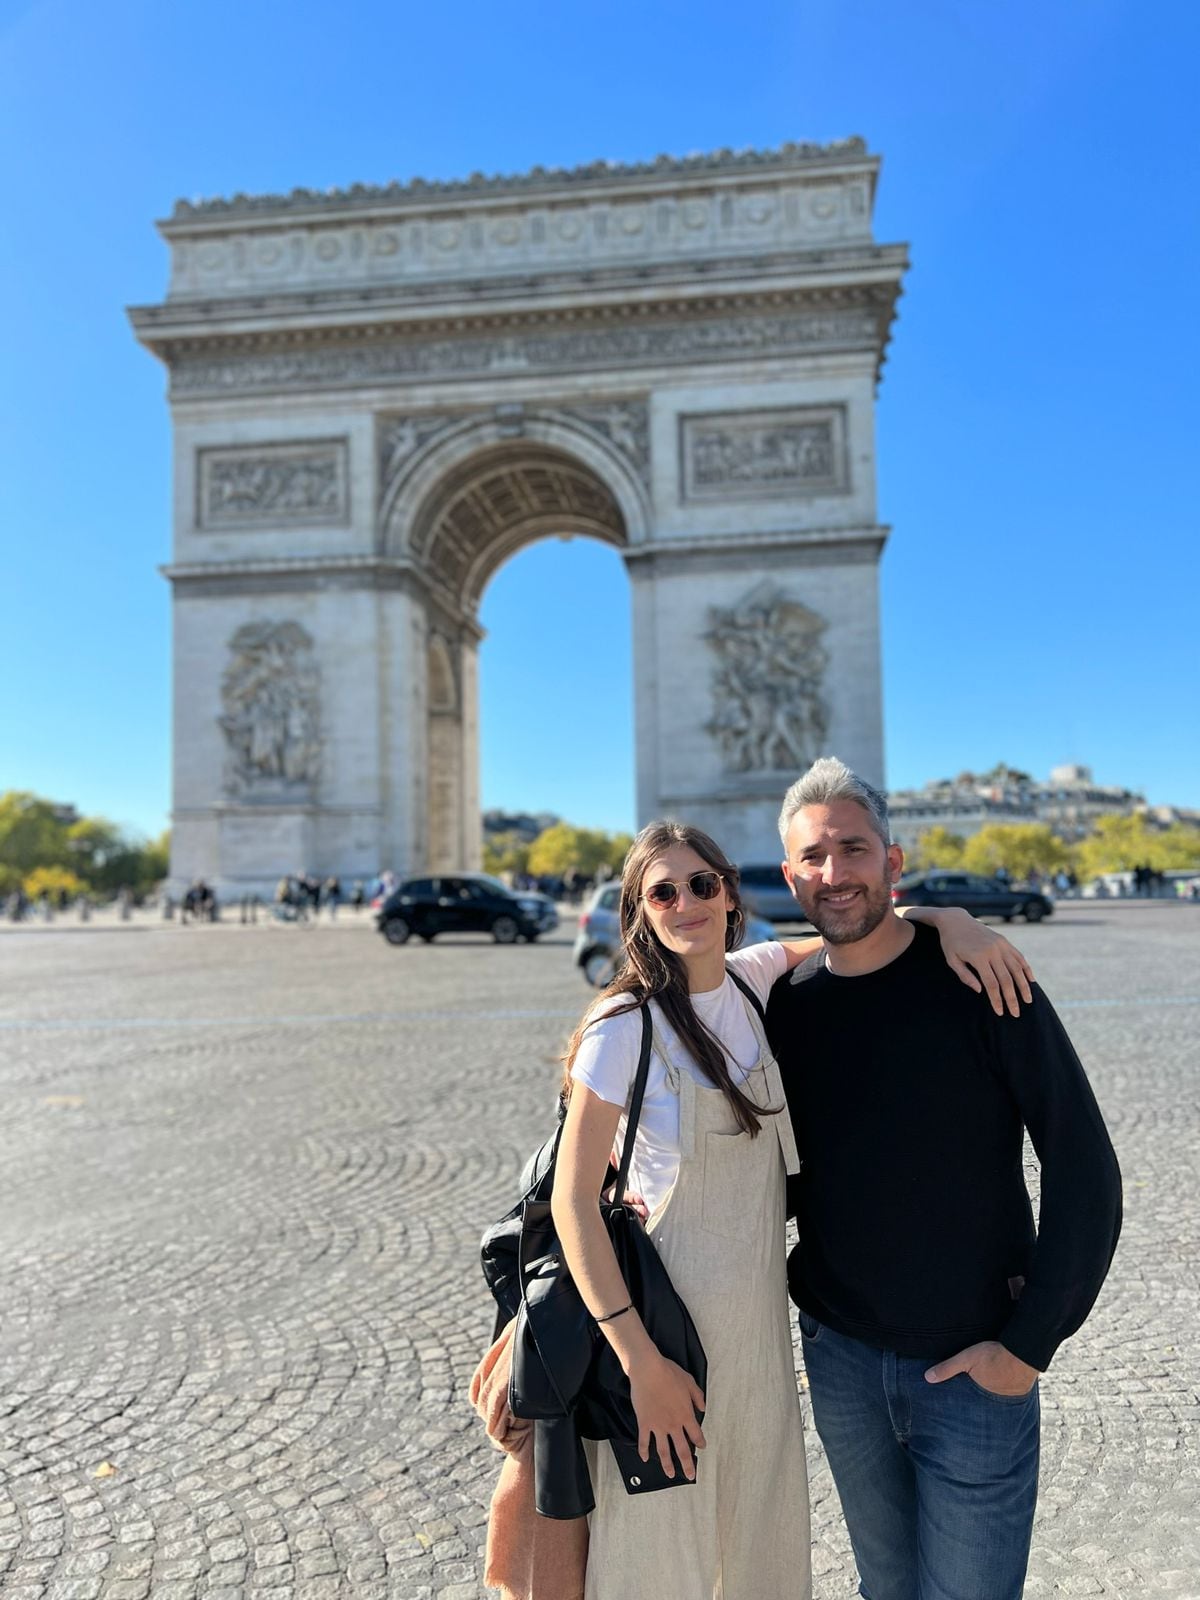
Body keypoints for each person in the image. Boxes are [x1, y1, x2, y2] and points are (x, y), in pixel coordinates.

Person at [550, 819, 1032, 1600]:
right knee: (655, 1565)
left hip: (761, 1348)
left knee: (761, 1560)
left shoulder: (757, 977)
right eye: (662, 891)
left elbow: (863, 928)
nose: (686, 903)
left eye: (702, 883)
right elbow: (573, 1204)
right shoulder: (620, 1028)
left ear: (731, 893)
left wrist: (956, 921)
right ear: (642, 910)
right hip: (663, 1345)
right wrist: (641, 1366)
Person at [766, 758, 1122, 1600]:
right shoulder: (784, 1004)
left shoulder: (984, 981)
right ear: (791, 875)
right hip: (842, 1362)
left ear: (894, 862)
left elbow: (1085, 1165)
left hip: (974, 1368)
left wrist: (1028, 1346)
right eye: (814, 858)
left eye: (854, 851)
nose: (834, 874)